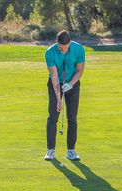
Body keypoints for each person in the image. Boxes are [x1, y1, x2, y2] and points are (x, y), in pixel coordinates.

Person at [44, 30, 85, 161]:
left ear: (70, 43)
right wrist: (58, 99)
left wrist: (71, 84)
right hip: (55, 84)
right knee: (53, 116)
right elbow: (54, 77)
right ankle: (50, 150)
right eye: (61, 47)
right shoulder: (49, 53)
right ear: (57, 43)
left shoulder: (78, 49)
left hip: (72, 83)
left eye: (66, 47)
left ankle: (71, 151)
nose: (63, 50)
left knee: (72, 117)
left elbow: (79, 71)